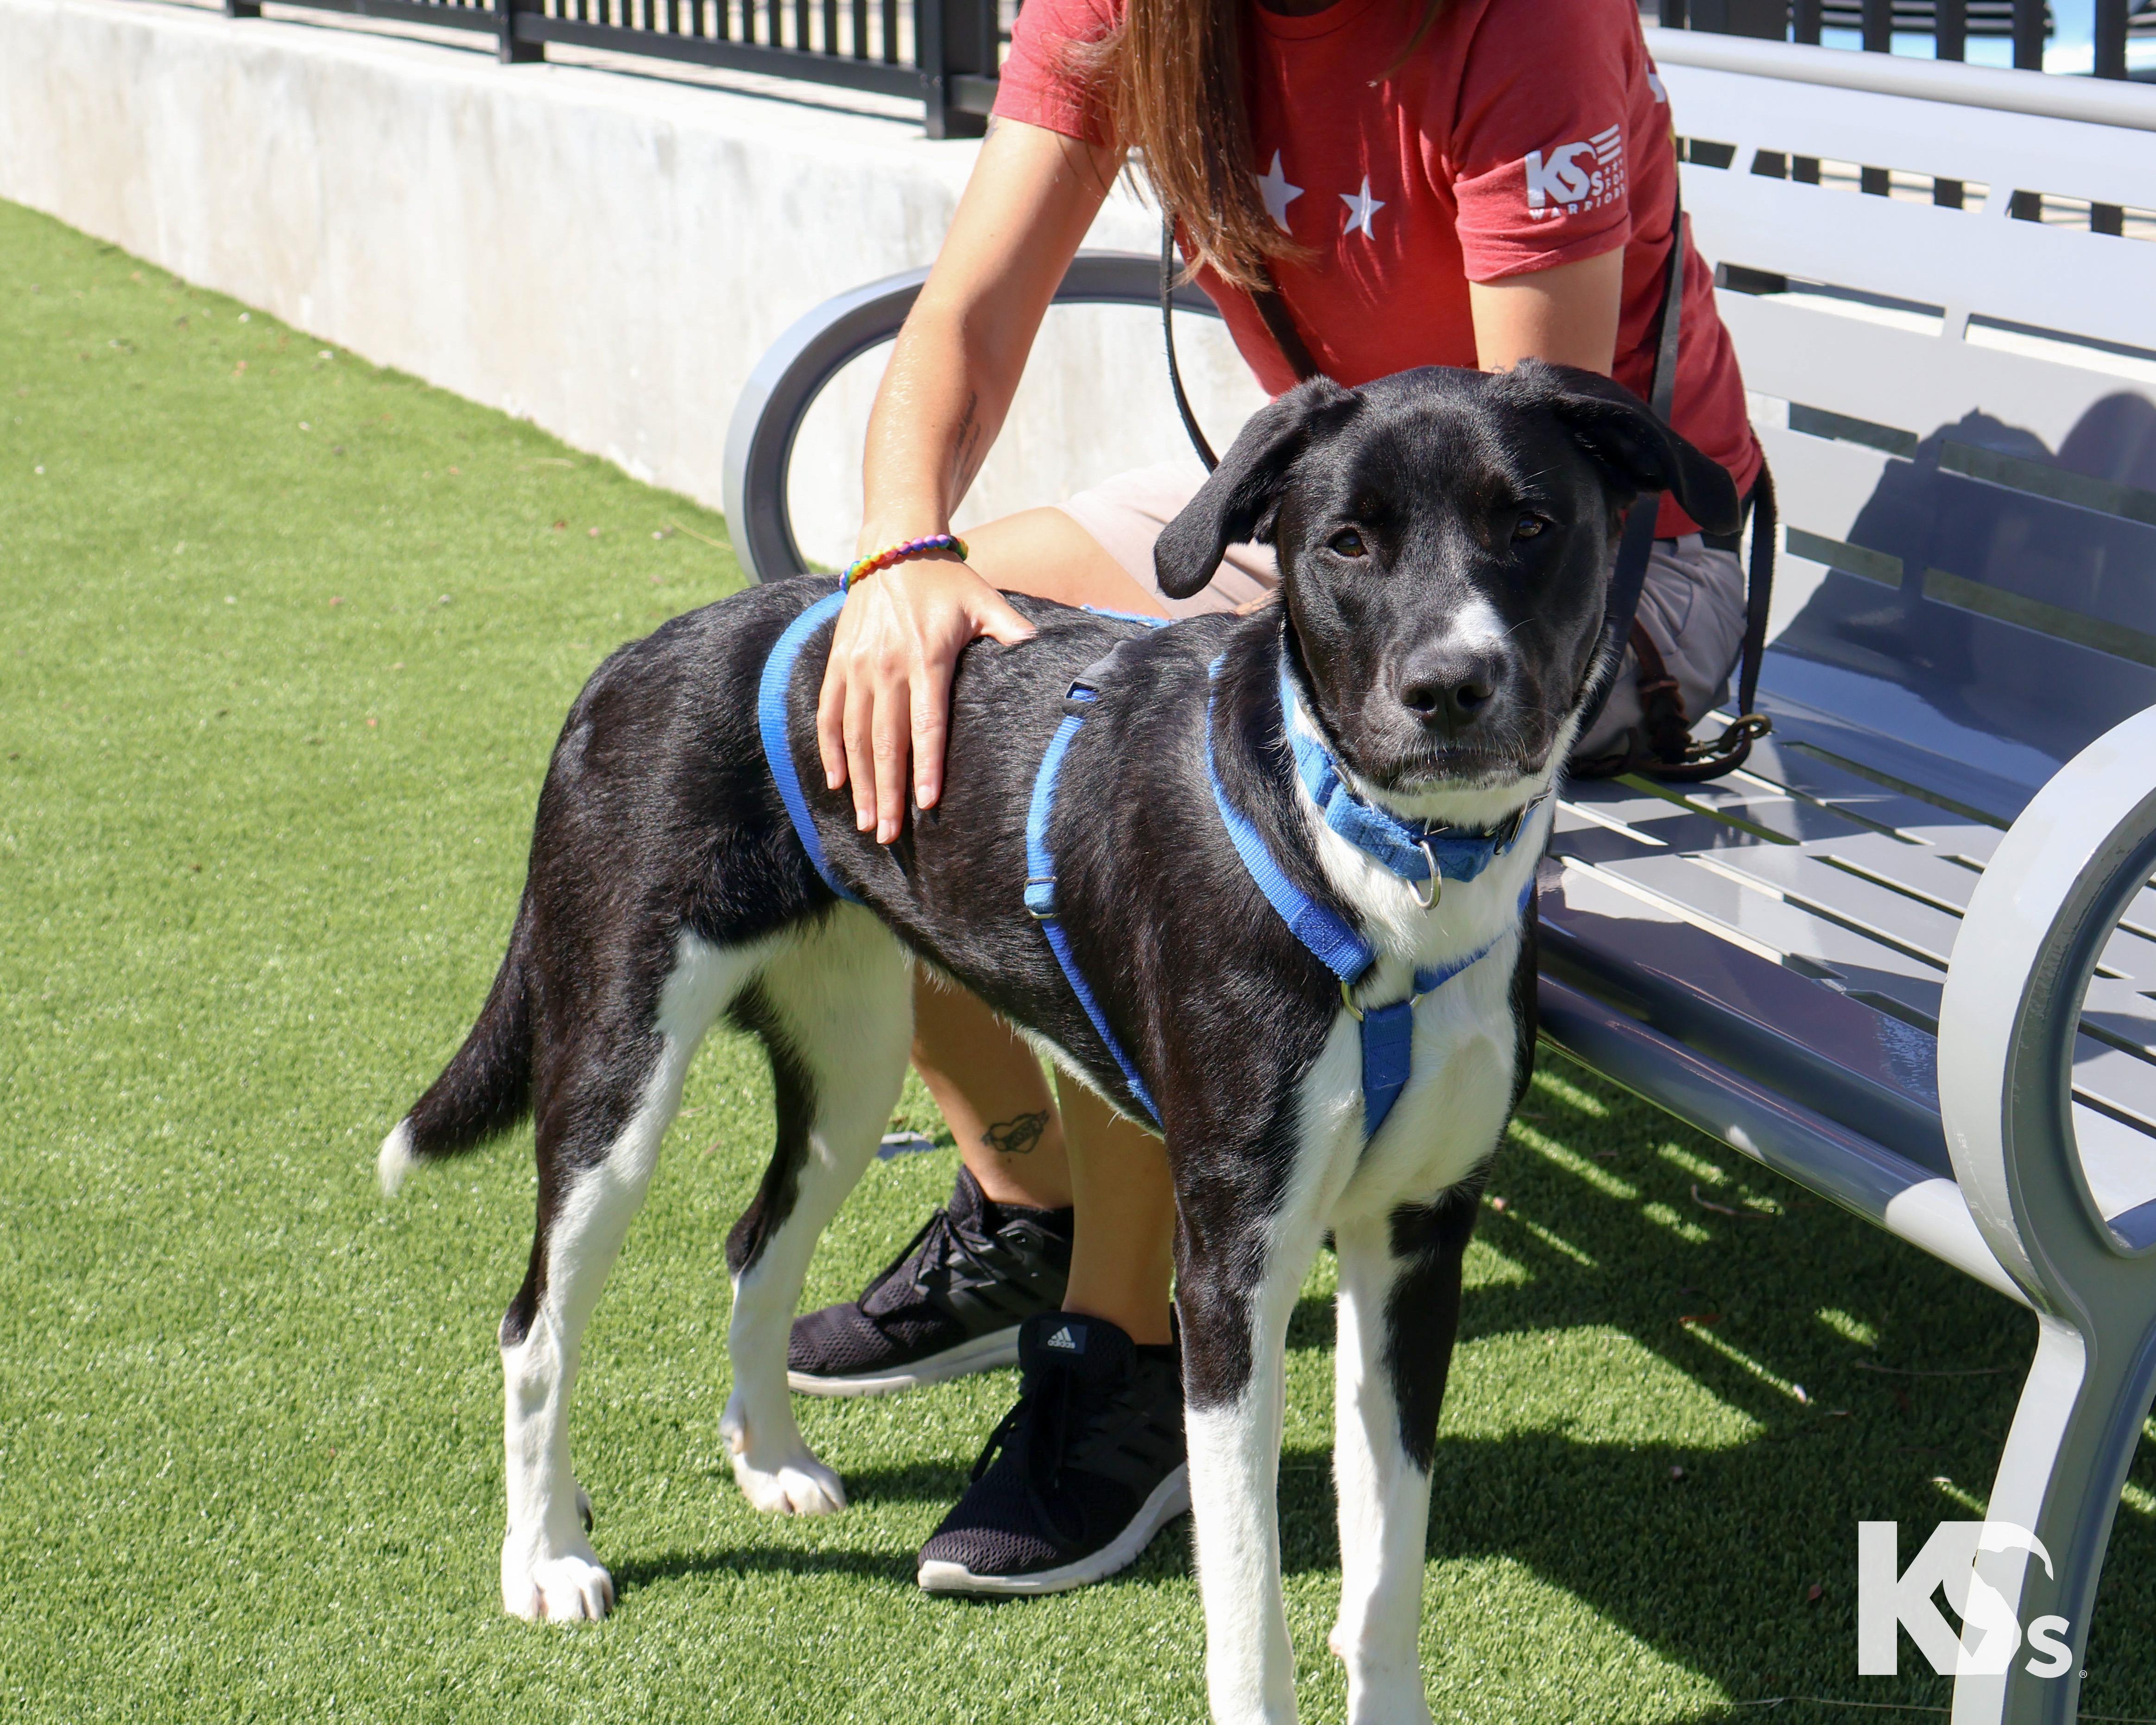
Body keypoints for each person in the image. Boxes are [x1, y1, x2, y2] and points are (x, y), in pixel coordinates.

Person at [784, 0, 1763, 1594]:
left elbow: (1516, 527)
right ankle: (1028, 1194)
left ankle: (1124, 1356)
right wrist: (900, 557)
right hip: (1348, 520)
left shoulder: (1533, 21)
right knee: (881, 689)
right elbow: (966, 314)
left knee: (1159, 782)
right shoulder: (1134, 13)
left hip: (1599, 574)